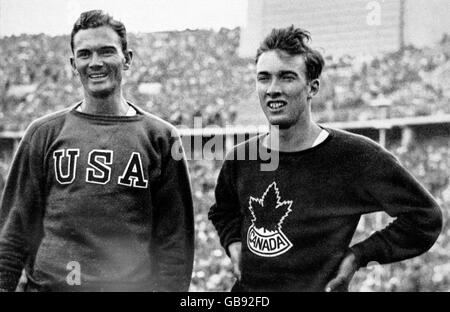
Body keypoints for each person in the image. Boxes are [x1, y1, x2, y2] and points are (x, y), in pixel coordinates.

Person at [208, 25, 443, 292]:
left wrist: (358, 256)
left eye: (287, 77)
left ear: (312, 87)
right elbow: (222, 210)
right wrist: (233, 244)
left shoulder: (356, 157)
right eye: (264, 78)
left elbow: (425, 217)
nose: (273, 89)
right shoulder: (241, 157)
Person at [0, 10, 194, 292]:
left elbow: (175, 243)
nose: (95, 63)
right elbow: (13, 232)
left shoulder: (160, 137)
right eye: (85, 54)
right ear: (73, 63)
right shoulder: (42, 133)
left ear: (127, 59)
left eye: (106, 52)